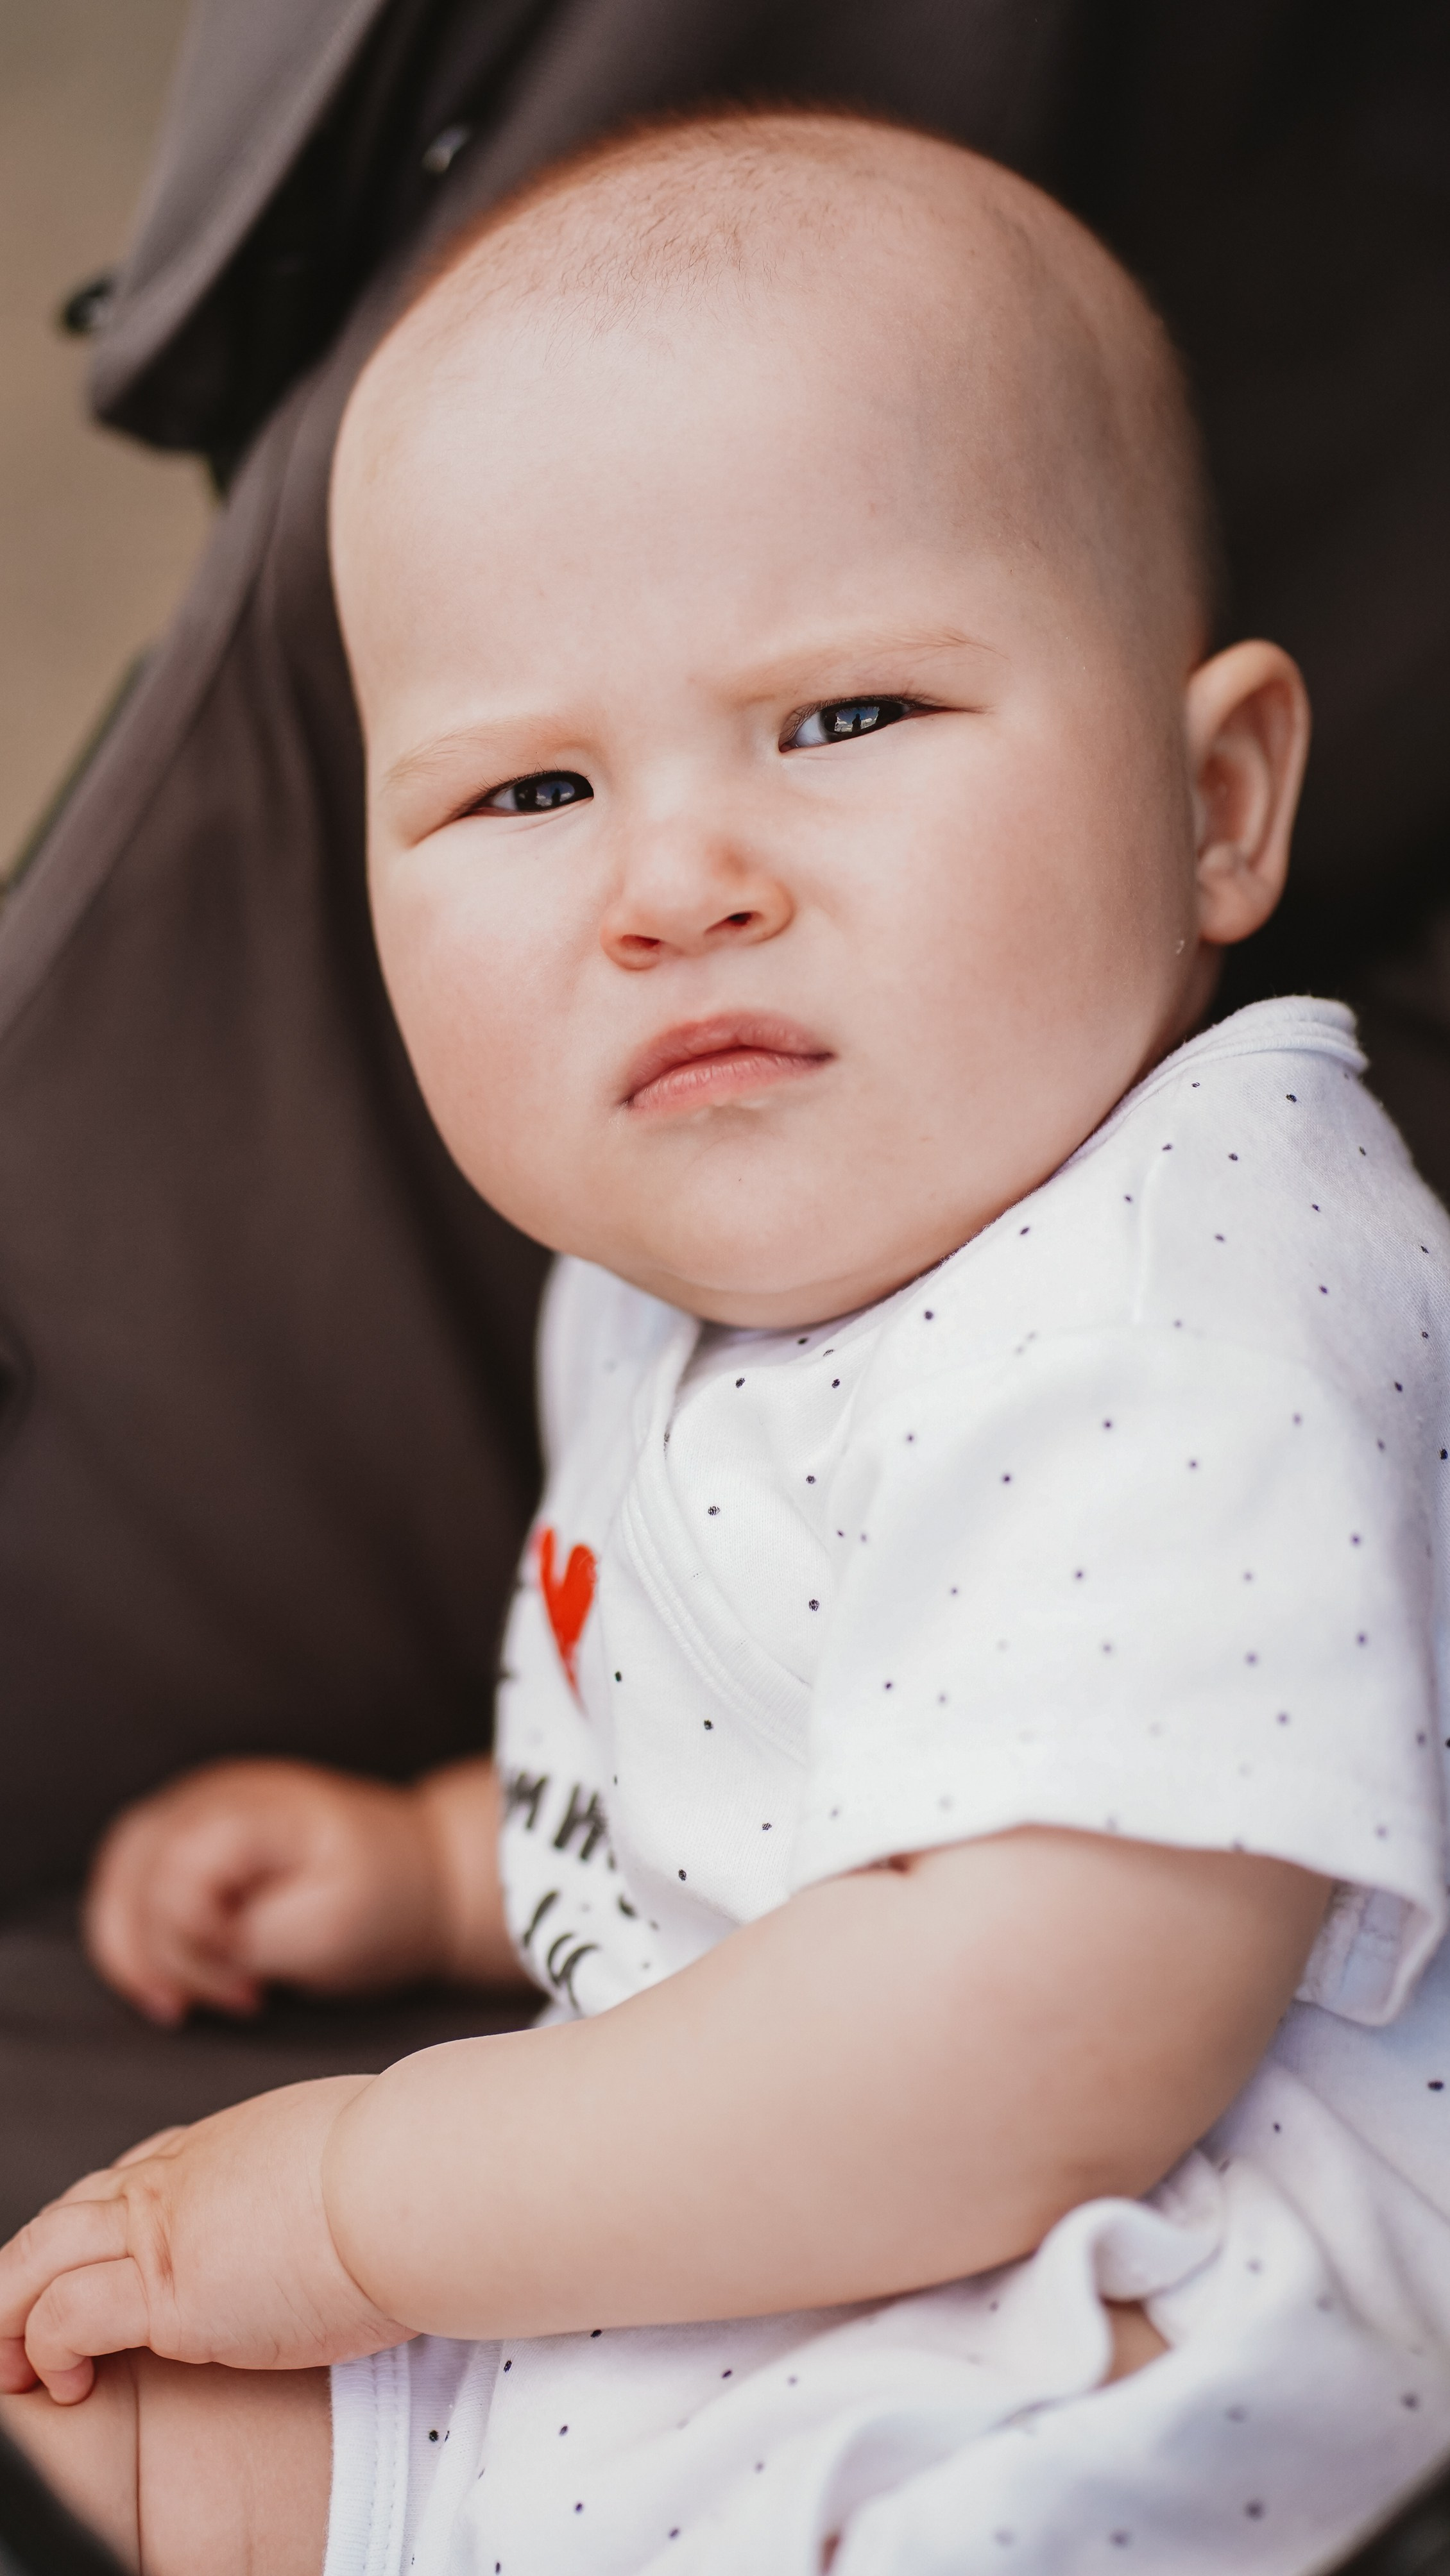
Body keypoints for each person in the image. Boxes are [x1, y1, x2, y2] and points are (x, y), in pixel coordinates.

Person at [1, 108, 1449, 2576]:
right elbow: (785, 1791)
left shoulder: (1187, 1295)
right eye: (532, 785)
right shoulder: (678, 1289)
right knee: (100, 2416)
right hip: (762, 2229)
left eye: (848, 718)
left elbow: (1030, 2038)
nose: (678, 881)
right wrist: (435, 1873)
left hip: (1100, 2307)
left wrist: (363, 2192)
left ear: (1214, 802)